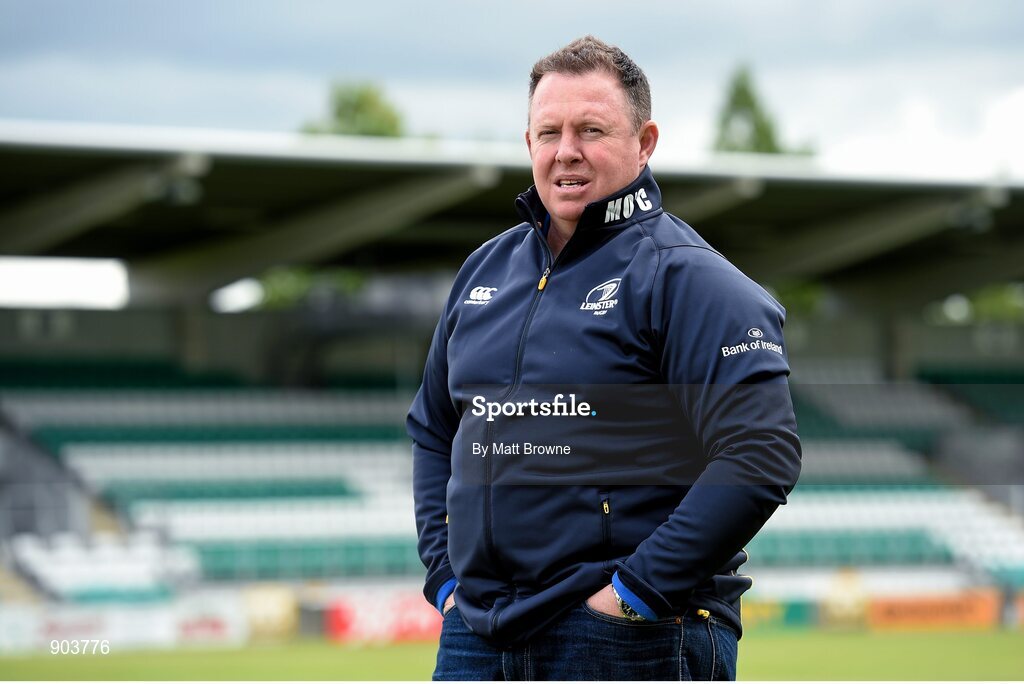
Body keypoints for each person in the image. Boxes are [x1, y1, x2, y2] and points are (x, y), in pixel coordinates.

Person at [408, 35, 801, 680]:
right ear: (528, 143)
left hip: (627, 637)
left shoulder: (690, 279)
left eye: (592, 130)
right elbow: (432, 430)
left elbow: (761, 452)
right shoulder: (484, 269)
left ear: (645, 143)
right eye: (549, 131)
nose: (567, 151)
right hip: (478, 636)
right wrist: (445, 575)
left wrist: (632, 596)